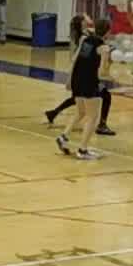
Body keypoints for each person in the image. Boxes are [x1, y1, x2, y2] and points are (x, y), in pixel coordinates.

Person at [44, 14, 117, 136]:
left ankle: (55, 115)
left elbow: (96, 30)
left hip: (80, 73)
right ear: (82, 24)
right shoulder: (86, 38)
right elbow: (102, 69)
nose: (88, 21)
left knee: (78, 101)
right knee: (99, 100)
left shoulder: (85, 36)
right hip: (87, 75)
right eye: (85, 20)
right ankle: (101, 125)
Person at [56, 18, 109, 161]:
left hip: (77, 80)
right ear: (108, 33)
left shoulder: (84, 40)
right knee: (93, 117)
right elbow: (102, 73)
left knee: (81, 112)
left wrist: (69, 79)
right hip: (90, 82)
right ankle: (82, 150)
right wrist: (113, 72)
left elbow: (76, 59)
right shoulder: (104, 48)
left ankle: (64, 136)